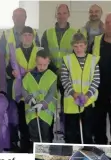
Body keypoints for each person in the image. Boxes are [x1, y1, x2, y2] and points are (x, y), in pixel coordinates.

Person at [0, 8, 41, 151]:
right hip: (14, 80)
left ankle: (29, 140)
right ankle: (13, 141)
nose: (18, 18)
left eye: (21, 16)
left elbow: (40, 55)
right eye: (16, 16)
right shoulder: (6, 34)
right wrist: (10, 73)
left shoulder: (35, 33)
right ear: (12, 17)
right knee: (13, 112)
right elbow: (1, 57)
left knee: (29, 112)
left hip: (33, 82)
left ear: (26, 17)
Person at [41, 3, 77, 140]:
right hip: (51, 75)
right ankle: (48, 137)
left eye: (64, 13)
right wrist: (55, 69)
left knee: (67, 107)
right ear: (56, 15)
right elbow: (44, 54)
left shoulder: (75, 33)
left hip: (68, 76)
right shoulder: (47, 33)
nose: (61, 16)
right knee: (50, 105)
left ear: (68, 14)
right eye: (59, 13)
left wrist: (65, 70)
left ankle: (67, 136)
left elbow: (77, 54)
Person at [89, 13, 111, 145]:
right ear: (104, 25)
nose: (109, 25)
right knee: (98, 123)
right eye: (107, 22)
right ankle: (100, 147)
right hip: (98, 89)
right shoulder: (96, 41)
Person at [60, 33, 100, 144]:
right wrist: (73, 93)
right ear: (72, 46)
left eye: (81, 46)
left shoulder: (93, 60)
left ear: (86, 45)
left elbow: (96, 80)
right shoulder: (67, 60)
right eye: (76, 46)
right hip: (71, 102)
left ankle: (86, 155)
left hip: (88, 101)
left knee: (87, 133)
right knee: (71, 133)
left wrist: (87, 95)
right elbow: (64, 79)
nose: (78, 49)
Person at [7, 26, 41, 153]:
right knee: (22, 119)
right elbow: (8, 68)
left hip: (35, 90)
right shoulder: (15, 52)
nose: (27, 37)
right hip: (20, 91)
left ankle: (34, 145)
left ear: (33, 37)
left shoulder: (39, 50)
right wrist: (12, 72)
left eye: (29, 35)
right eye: (24, 35)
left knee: (34, 118)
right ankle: (24, 145)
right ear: (20, 37)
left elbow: (47, 66)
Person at [22, 50, 57, 152]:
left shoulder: (52, 76)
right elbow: (23, 89)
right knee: (34, 134)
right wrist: (29, 99)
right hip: (32, 112)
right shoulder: (28, 76)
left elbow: (52, 93)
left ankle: (46, 156)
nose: (41, 67)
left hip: (46, 113)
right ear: (35, 62)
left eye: (44, 65)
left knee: (45, 134)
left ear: (49, 62)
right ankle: (36, 155)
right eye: (39, 64)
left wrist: (43, 103)